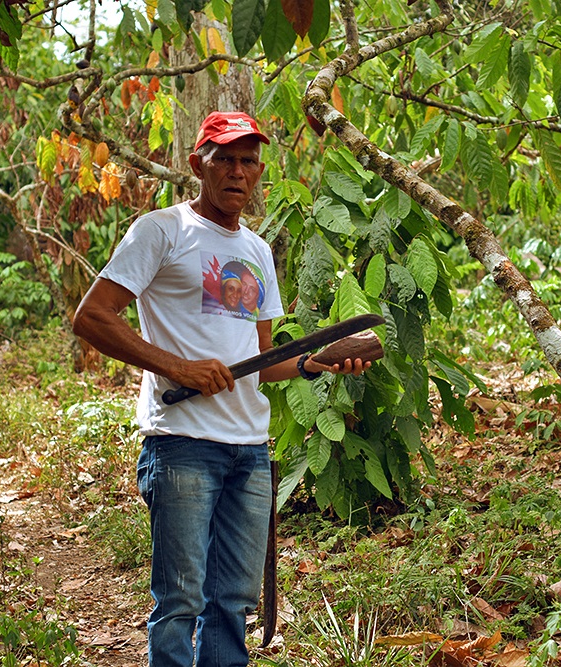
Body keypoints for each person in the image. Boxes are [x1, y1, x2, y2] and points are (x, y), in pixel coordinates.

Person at [72, 110, 370, 667]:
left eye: (248, 162)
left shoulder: (257, 251)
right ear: (197, 164)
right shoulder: (162, 230)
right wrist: (177, 368)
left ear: (259, 172)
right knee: (180, 601)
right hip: (181, 441)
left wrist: (318, 364)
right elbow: (92, 317)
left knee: (233, 602)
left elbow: (257, 363)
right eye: (225, 159)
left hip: (249, 451)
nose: (238, 172)